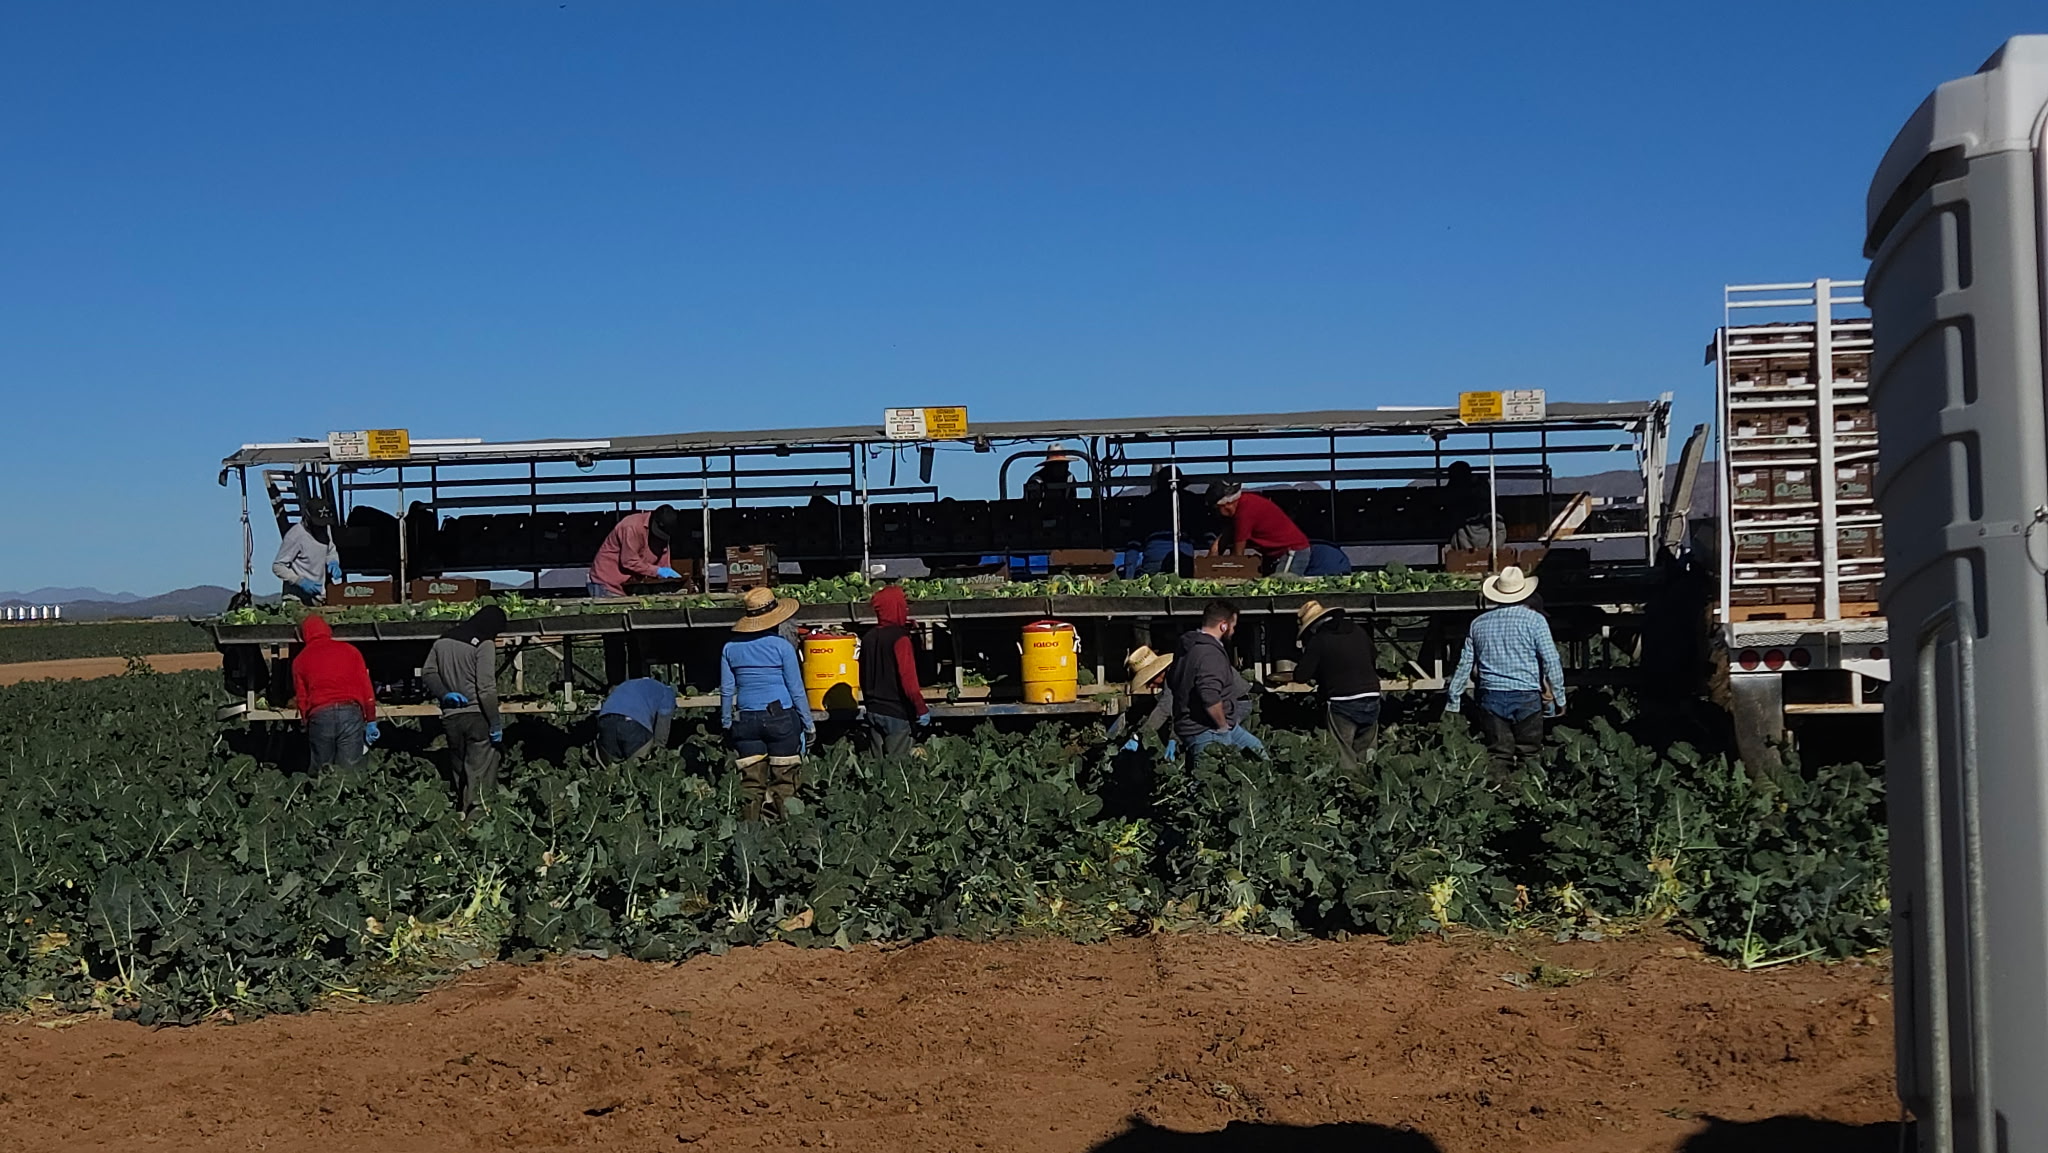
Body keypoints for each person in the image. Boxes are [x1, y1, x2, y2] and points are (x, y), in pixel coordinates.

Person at [1444, 566, 1567, 764]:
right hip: (1527, 694)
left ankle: (1500, 789)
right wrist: (1559, 697)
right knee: (1530, 753)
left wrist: (1454, 699)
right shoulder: (1535, 621)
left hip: (1490, 695)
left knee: (1498, 754)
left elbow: (1464, 664)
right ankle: (1530, 788)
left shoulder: (1478, 623)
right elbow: (1551, 660)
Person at [720, 586, 814, 819]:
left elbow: (727, 690)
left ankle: (750, 834)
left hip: (745, 719)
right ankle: (787, 833)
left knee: (751, 784)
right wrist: (808, 724)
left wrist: (726, 721)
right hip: (780, 716)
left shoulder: (730, 648)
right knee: (785, 781)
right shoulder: (782, 647)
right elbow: (796, 689)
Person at [423, 605, 507, 815]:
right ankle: (477, 819)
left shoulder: (443, 641)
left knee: (460, 768)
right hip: (477, 715)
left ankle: (459, 812)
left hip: (451, 717)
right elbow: (486, 688)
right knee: (480, 771)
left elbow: (428, 672)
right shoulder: (484, 643)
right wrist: (495, 723)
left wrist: (444, 694)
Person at [1167, 600, 1265, 758]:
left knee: (1258, 755)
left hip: (1210, 727)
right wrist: (1222, 727)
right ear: (1223, 625)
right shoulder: (1209, 654)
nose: (1233, 631)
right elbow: (1210, 696)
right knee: (1211, 779)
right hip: (1208, 730)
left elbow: (1172, 682)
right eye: (1233, 626)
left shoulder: (1187, 647)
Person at [1293, 600, 1380, 771]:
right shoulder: (1358, 630)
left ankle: (1348, 787)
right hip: (1372, 695)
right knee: (1367, 750)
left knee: (1343, 751)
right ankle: (1370, 784)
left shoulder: (1319, 640)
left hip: (1343, 700)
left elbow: (1301, 676)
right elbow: (1373, 655)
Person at [292, 616, 378, 770]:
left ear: (304, 635)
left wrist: (305, 723)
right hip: (350, 713)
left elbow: (302, 697)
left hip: (320, 716)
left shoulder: (300, 660)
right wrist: (371, 719)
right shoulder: (351, 651)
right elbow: (366, 687)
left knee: (322, 769)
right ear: (328, 630)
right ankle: (350, 794)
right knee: (350, 770)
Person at [860, 584, 931, 758]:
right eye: (903, 605)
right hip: (896, 714)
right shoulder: (901, 640)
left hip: (873, 711)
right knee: (897, 770)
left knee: (877, 768)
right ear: (897, 607)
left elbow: (862, 676)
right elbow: (908, 681)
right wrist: (921, 709)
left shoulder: (868, 638)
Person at [1211, 481, 1312, 579]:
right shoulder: (1242, 505)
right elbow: (1222, 540)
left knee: (1281, 587)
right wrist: (1208, 565)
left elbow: (1238, 556)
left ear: (1227, 505)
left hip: (1292, 551)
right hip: (1275, 555)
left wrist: (1223, 572)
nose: (1217, 513)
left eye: (1217, 508)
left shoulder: (1244, 513)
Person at [588, 505, 682, 598]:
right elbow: (629, 561)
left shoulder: (665, 533)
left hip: (627, 586)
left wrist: (670, 578)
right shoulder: (631, 526)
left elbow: (663, 560)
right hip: (607, 583)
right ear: (653, 521)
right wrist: (657, 571)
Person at [1111, 644, 1176, 759]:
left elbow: (1165, 708)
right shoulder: (1174, 673)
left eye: (1150, 679)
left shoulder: (1174, 676)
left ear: (1158, 671)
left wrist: (1140, 735)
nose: (1150, 685)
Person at [596, 676, 677, 766]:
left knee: (613, 770)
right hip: (633, 725)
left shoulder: (627, 684)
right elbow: (662, 725)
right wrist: (658, 750)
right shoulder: (667, 692)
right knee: (639, 770)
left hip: (606, 722)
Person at [273, 515, 342, 605]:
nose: (321, 528)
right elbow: (278, 566)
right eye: (318, 525)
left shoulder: (325, 528)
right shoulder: (295, 535)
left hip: (318, 595)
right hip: (297, 598)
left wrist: (333, 561)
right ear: (307, 521)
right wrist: (299, 581)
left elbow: (330, 551)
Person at [1443, 461, 1503, 553]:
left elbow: (1500, 530)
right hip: (1465, 553)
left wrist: (1490, 550)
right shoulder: (1456, 501)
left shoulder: (1484, 504)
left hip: (1483, 549)